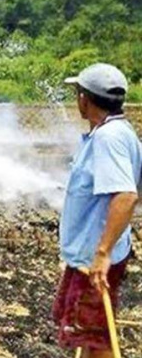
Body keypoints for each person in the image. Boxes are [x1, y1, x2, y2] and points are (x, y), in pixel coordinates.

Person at [53, 63, 141, 357]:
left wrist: (102, 253)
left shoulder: (108, 138)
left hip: (96, 257)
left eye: (77, 93)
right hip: (90, 255)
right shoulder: (118, 132)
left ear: (84, 99)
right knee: (86, 331)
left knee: (94, 336)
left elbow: (126, 196)